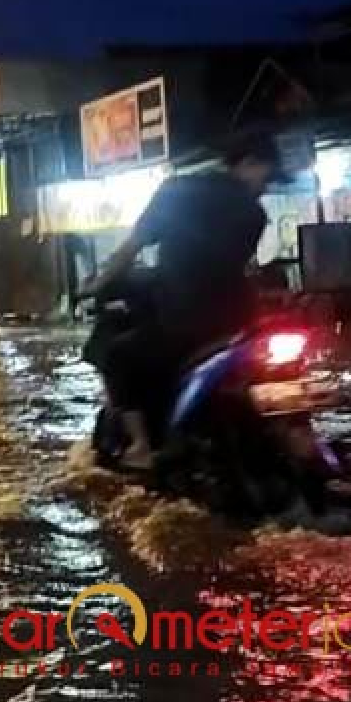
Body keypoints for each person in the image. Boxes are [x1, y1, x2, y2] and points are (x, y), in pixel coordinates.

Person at [84, 132, 284, 470]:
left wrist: (95, 285)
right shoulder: (254, 214)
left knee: (118, 355)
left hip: (185, 322)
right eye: (268, 174)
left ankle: (140, 447)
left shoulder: (176, 192)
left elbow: (131, 250)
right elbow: (226, 265)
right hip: (239, 323)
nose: (267, 186)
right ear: (248, 162)